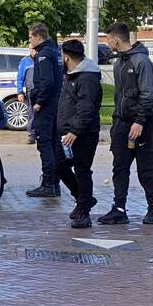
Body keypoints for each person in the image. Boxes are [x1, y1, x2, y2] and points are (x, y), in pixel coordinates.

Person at [99, 22, 153, 225]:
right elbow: (120, 96)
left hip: (141, 126)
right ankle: (119, 209)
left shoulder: (141, 61)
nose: (107, 43)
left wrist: (140, 121)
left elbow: (148, 96)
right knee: (119, 168)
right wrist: (117, 121)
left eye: (108, 39)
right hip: (121, 124)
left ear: (116, 40)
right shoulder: (119, 63)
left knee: (146, 169)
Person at [55, 40, 102, 229]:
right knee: (60, 167)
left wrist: (75, 131)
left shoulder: (86, 77)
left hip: (83, 134)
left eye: (61, 56)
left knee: (82, 170)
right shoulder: (72, 75)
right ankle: (84, 199)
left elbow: (86, 108)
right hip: (68, 133)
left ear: (66, 56)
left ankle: (84, 210)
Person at [25, 22, 64, 198]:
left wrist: (39, 102)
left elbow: (46, 81)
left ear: (38, 36)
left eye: (31, 37)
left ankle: (48, 183)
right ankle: (54, 183)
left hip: (47, 105)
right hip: (56, 103)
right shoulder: (54, 52)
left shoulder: (43, 55)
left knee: (44, 142)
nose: (29, 40)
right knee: (54, 143)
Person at [16, 49, 36, 143]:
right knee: (31, 113)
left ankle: (41, 135)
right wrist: (20, 92)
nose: (34, 51)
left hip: (43, 91)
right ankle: (32, 136)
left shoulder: (43, 59)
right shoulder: (25, 61)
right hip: (30, 91)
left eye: (35, 49)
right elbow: (20, 78)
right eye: (32, 49)